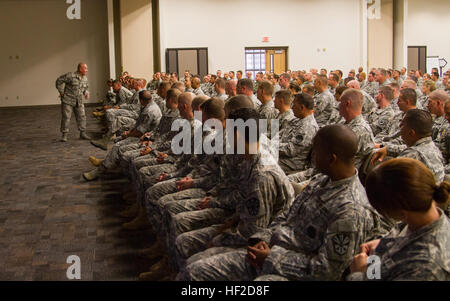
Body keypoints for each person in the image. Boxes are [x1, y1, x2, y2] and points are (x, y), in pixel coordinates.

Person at [179, 124, 391, 281]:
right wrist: (265, 238)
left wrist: (272, 258)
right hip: (271, 249)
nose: (312, 157)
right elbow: (287, 214)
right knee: (194, 265)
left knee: (197, 275)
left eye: (316, 152)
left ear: (332, 158)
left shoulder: (351, 209)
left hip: (290, 270)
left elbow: (327, 271)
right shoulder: (320, 180)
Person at [348, 158, 450, 280]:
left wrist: (358, 274)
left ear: (400, 214)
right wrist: (381, 248)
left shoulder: (425, 269)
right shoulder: (421, 216)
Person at [371, 109, 445, 183]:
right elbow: (405, 148)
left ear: (411, 133)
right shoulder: (433, 148)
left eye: (402, 124)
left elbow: (388, 182)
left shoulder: (411, 155)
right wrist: (387, 148)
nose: (400, 126)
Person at [55, 63, 91, 142]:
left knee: (82, 117)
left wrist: (86, 93)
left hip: (79, 101)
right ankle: (64, 135)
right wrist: (61, 92)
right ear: (80, 69)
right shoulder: (70, 76)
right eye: (85, 68)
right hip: (68, 100)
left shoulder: (85, 78)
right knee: (66, 118)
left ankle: (82, 133)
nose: (87, 70)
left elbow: (85, 88)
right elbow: (59, 81)